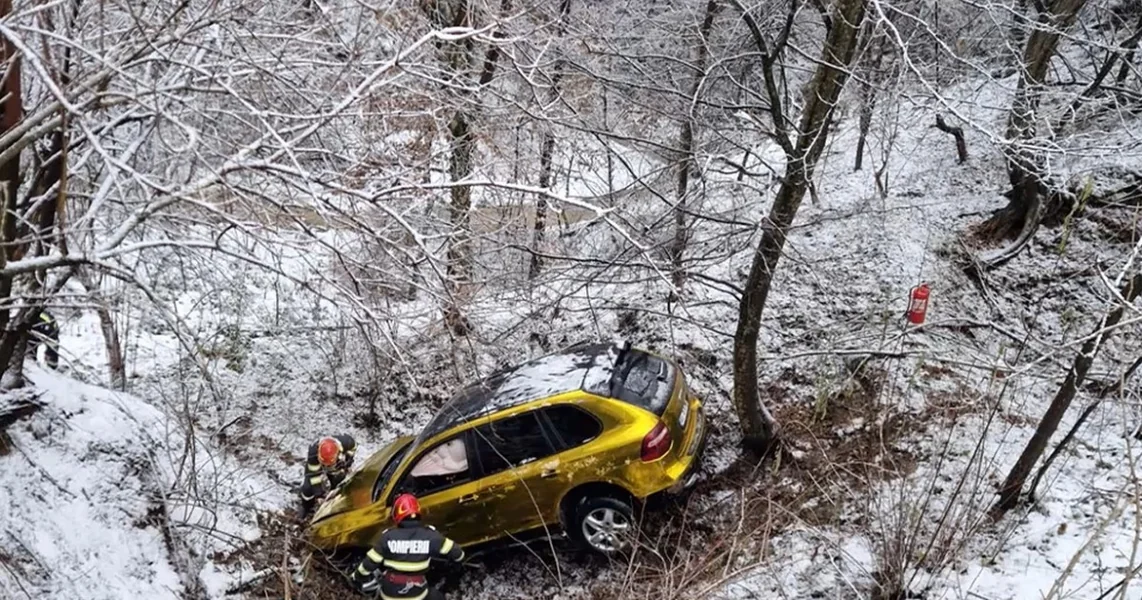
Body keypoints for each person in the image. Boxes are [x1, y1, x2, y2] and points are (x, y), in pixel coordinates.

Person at [350, 493, 465, 599]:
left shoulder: (387, 537)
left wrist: (356, 578)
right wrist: (457, 565)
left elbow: (368, 564)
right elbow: (457, 553)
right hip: (418, 593)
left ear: (396, 515)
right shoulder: (431, 536)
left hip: (389, 594)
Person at [299, 434, 357, 517]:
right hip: (316, 466)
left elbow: (353, 447)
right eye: (325, 463)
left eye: (328, 464)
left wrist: (349, 459)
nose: (327, 466)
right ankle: (306, 507)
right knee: (307, 488)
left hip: (336, 465)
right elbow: (314, 476)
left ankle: (334, 498)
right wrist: (319, 494)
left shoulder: (346, 441)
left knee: (339, 481)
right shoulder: (313, 453)